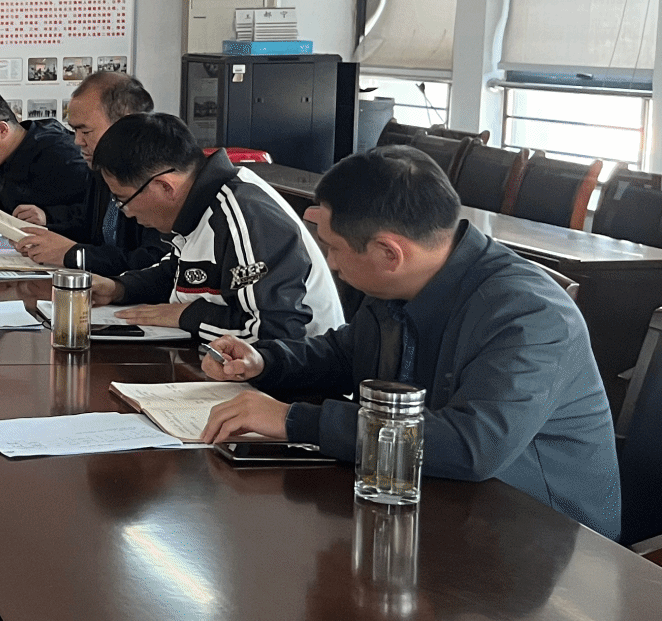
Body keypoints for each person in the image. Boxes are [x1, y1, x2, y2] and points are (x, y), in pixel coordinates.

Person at [201, 146, 620, 538]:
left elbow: (472, 446)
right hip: (426, 503)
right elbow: (346, 354)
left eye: (334, 248)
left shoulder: (529, 314)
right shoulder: (402, 283)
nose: (331, 263)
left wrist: (294, 421)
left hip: (537, 538)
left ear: (389, 253)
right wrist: (265, 361)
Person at [89, 112, 344, 341]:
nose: (126, 212)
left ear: (165, 187)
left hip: (295, 375)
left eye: (123, 200)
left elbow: (274, 331)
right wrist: (119, 288)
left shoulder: (246, 215)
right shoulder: (198, 202)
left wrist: (187, 315)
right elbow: (183, 274)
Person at [14, 71, 166, 274]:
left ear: (125, 124)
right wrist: (40, 236)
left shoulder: (157, 178)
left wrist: (74, 255)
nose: (77, 141)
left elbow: (154, 262)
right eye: (74, 130)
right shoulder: (100, 167)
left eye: (85, 132)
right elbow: (89, 231)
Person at [0, 83, 89, 222]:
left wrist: (49, 217)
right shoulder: (2, 157)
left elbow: (97, 215)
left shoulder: (63, 156)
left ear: (2, 129)